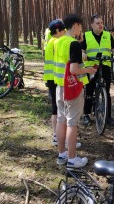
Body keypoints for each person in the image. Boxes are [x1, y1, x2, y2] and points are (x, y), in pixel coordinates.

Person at [53, 14, 96, 169]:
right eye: (80, 27)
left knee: (61, 119)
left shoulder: (58, 41)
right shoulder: (74, 44)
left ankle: (62, 154)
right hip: (72, 88)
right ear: (76, 25)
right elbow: (74, 69)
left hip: (60, 86)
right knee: (72, 123)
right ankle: (72, 159)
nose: (81, 30)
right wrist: (89, 69)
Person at [81, 14, 114, 127]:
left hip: (105, 65)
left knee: (106, 91)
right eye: (98, 23)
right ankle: (86, 114)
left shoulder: (108, 35)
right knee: (89, 91)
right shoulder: (86, 35)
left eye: (102, 23)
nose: (101, 25)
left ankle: (108, 117)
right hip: (91, 67)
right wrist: (83, 54)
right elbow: (81, 50)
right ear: (92, 24)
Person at [43, 19, 66, 147]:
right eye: (63, 30)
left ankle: (57, 136)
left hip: (51, 77)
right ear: (57, 31)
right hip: (56, 78)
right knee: (59, 108)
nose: (64, 32)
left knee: (56, 108)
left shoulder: (50, 41)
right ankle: (61, 137)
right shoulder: (57, 42)